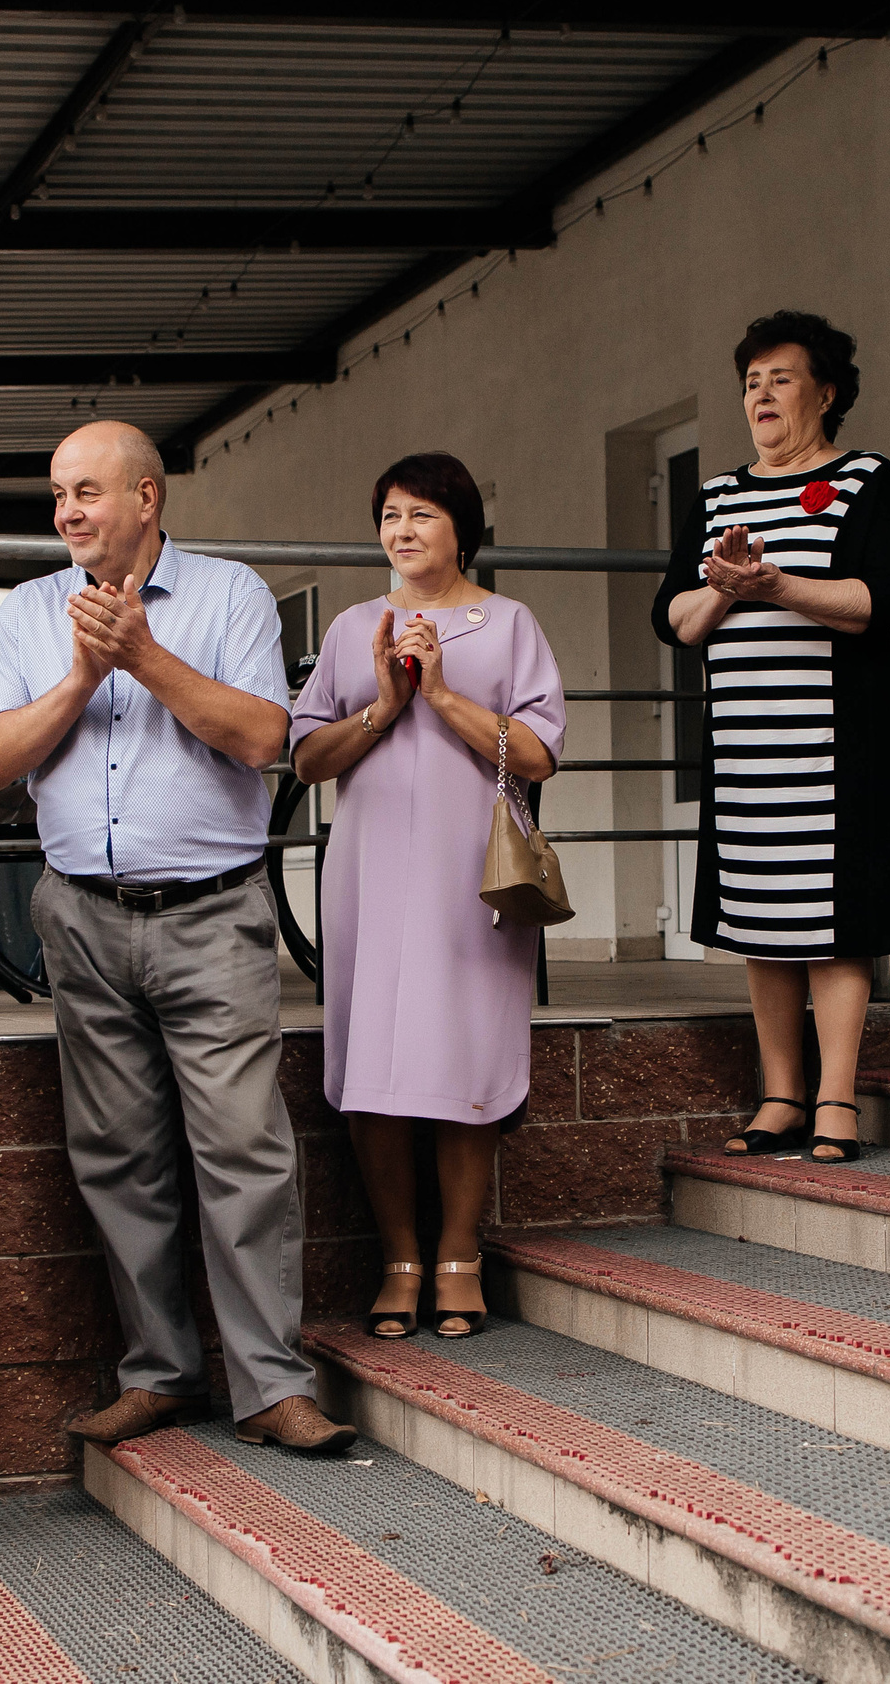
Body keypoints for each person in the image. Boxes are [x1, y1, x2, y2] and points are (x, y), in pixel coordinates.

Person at [0, 420, 357, 1452]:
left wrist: (142, 655)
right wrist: (83, 679)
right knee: (115, 1156)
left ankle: (272, 1385)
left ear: (148, 498)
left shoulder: (228, 595)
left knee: (242, 1150)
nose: (67, 513)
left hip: (210, 914)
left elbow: (264, 738)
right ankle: (159, 1372)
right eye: (58, 495)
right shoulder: (32, 614)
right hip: (82, 915)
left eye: (87, 491)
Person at [290, 453, 565, 1339]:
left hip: (468, 879)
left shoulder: (510, 623)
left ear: (461, 528)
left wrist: (439, 693)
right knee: (374, 1070)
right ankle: (398, 1256)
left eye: (423, 515)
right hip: (369, 873)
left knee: (463, 1060)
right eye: (390, 516)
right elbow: (304, 759)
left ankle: (458, 1254)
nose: (403, 532)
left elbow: (537, 754)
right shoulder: (351, 629)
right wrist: (380, 703)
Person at [653, 310, 890, 1165]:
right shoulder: (716, 497)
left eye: (782, 378)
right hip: (747, 746)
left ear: (827, 391)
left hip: (839, 743)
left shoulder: (866, 480)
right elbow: (678, 621)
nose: (761, 394)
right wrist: (729, 587)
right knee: (764, 921)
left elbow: (879, 601)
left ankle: (837, 1096)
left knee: (835, 924)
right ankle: (779, 1094)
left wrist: (777, 581)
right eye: (751, 381)